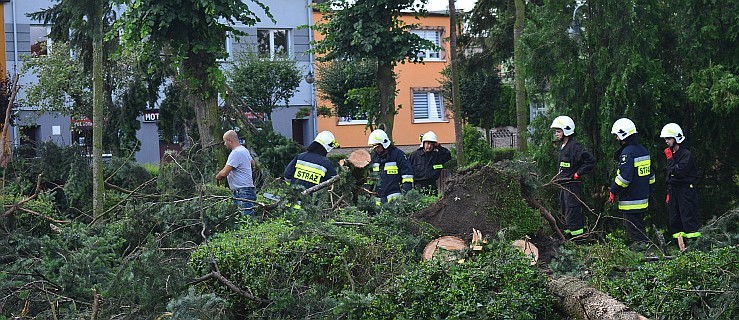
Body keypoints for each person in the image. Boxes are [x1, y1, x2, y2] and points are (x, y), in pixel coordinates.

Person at [607, 118, 655, 248]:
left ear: (623, 134)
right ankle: (643, 246)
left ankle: (641, 249)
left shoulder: (627, 153)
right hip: (643, 197)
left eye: (617, 135)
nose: (616, 138)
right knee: (638, 224)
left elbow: (624, 178)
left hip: (631, 198)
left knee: (633, 226)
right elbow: (651, 176)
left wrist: (613, 190)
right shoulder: (643, 150)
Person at [550, 116, 595, 239]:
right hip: (563, 186)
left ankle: (578, 240)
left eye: (558, 131)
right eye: (556, 131)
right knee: (565, 212)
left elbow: (590, 161)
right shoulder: (563, 147)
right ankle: (568, 239)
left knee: (573, 213)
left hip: (572, 187)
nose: (556, 134)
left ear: (567, 131)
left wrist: (578, 173)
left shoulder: (575, 147)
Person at [660, 123, 700, 241]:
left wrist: (670, 160)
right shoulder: (672, 155)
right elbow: (669, 176)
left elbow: (678, 172)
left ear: (677, 138)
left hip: (686, 190)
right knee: (674, 218)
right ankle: (680, 246)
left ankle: (693, 244)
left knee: (688, 216)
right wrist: (669, 192)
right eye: (665, 139)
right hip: (674, 190)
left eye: (669, 138)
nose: (666, 141)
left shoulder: (686, 154)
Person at [215, 130, 256, 216]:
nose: (224, 144)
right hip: (248, 189)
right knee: (248, 218)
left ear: (230, 141)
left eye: (225, 141)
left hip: (242, 192)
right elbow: (253, 163)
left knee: (245, 220)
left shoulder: (236, 153)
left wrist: (217, 176)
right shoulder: (244, 150)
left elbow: (224, 173)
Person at [367, 129, 413, 204]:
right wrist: (368, 191)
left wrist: (406, 194)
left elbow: (407, 176)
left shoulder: (398, 155)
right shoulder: (374, 157)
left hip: (394, 198)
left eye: (377, 147)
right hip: (378, 198)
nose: (375, 149)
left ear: (384, 144)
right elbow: (371, 177)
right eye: (373, 147)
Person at [408, 131, 451, 196]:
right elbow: (407, 169)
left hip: (432, 185)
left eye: (432, 144)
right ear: (423, 143)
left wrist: (439, 147)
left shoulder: (436, 156)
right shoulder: (415, 155)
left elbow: (448, 155)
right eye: (428, 143)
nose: (429, 146)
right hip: (419, 186)